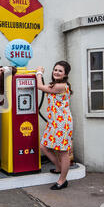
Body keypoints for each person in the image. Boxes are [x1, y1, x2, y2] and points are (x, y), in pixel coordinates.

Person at [36, 61, 73, 190]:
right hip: (54, 122)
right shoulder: (55, 85)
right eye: (55, 70)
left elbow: (39, 87)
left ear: (65, 74)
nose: (56, 72)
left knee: (63, 152)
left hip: (62, 123)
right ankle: (59, 167)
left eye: (60, 71)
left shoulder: (61, 86)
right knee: (43, 146)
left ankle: (62, 180)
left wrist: (39, 72)